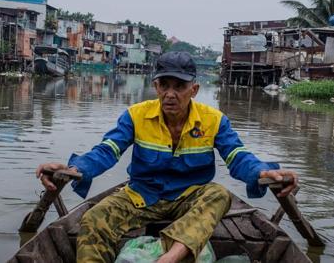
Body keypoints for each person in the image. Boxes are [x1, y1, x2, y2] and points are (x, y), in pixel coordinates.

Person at [36, 51, 298, 263]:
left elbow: (237, 156)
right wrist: (74, 168)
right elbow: (107, 150)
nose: (170, 94)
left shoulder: (213, 120)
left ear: (193, 89)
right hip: (142, 195)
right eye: (164, 85)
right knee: (93, 220)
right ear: (156, 86)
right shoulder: (136, 115)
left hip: (190, 196)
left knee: (219, 195)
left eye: (179, 86)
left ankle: (169, 258)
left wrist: (262, 172)